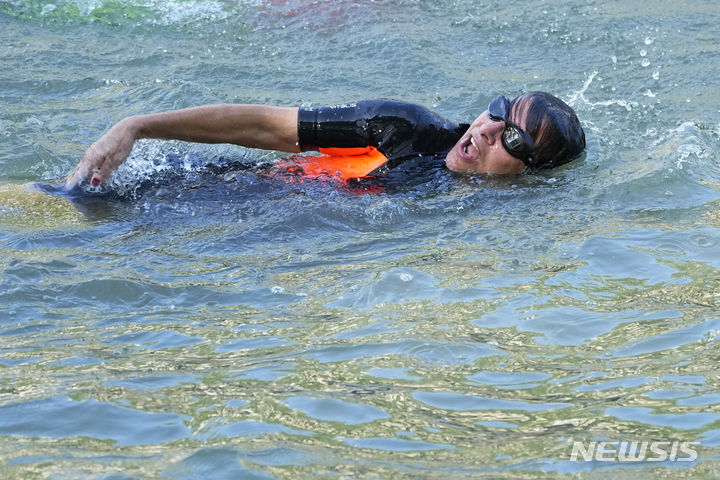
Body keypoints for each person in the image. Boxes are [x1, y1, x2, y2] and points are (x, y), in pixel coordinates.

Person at [63, 92, 585, 190]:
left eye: (511, 139)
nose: (486, 131)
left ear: (528, 172)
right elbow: (266, 125)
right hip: (202, 193)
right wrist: (136, 125)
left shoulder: (496, 221)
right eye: (496, 112)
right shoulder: (400, 128)